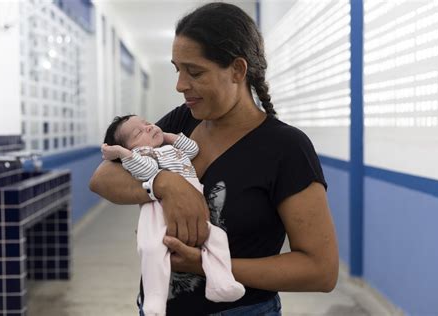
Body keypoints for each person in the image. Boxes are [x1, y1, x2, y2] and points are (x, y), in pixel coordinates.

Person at [90, 2, 339, 315]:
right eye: (177, 69)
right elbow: (102, 178)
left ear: (237, 70)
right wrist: (165, 184)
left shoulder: (285, 148)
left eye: (194, 72)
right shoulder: (184, 121)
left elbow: (320, 270)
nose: (180, 85)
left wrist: (207, 265)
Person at [101, 115, 245, 315]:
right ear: (130, 147)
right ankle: (154, 298)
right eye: (138, 132)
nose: (149, 128)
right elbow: (147, 171)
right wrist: (122, 153)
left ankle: (221, 281)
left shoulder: (171, 148)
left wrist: (168, 136)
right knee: (152, 248)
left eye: (147, 123)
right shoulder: (142, 154)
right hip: (158, 208)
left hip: (194, 204)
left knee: (217, 238)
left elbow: (193, 149)